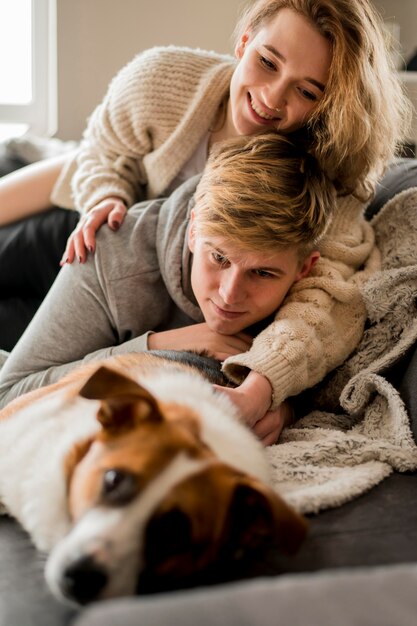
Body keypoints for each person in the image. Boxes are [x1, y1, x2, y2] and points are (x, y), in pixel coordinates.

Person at [0, 1, 409, 426]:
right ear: (245, 41)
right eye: (267, 62)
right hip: (100, 232)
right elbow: (104, 147)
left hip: (147, 291)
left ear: (330, 103)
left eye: (306, 91)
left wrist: (270, 391)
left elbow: (323, 298)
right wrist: (106, 196)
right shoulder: (162, 80)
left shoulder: (327, 174)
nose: (271, 98)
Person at [0, 132, 338, 446]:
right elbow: (11, 395)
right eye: (219, 257)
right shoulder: (113, 252)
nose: (229, 295)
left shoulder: (314, 297)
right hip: (73, 242)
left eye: (262, 273)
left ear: (303, 270)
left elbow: (324, 376)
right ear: (194, 231)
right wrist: (157, 346)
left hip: (88, 323)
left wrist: (280, 402)